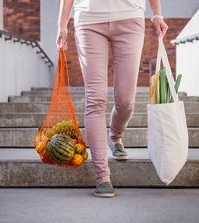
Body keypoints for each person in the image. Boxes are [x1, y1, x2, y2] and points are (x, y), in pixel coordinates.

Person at [56, 0, 168, 198]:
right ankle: (102, 177)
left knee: (125, 101)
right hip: (89, 20)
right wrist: (62, 24)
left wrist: (157, 13)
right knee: (95, 99)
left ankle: (115, 136)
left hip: (130, 17)